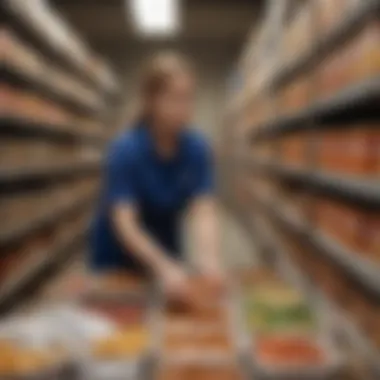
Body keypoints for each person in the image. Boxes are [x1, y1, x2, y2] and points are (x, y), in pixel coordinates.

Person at [89, 51, 224, 301]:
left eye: (188, 98)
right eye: (175, 98)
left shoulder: (196, 148)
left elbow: (204, 209)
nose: (184, 108)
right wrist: (162, 266)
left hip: (165, 250)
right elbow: (125, 222)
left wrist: (209, 260)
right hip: (119, 258)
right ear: (151, 101)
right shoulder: (125, 149)